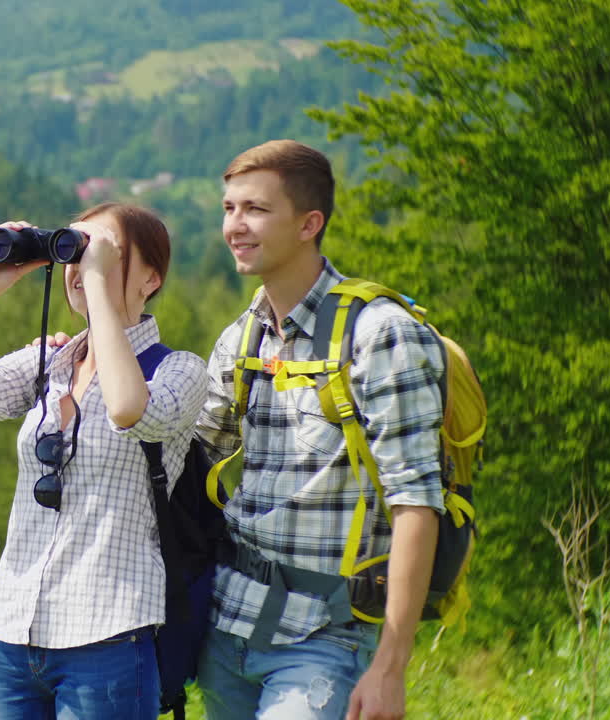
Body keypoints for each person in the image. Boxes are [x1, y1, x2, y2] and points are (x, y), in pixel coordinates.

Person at [0, 202, 208, 719]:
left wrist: (100, 291)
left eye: (103, 253)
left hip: (107, 637)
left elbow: (130, 409)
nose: (80, 269)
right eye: (74, 252)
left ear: (150, 279)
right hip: (11, 632)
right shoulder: (49, 365)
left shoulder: (179, 371)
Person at [194, 140, 445, 720]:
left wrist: (390, 666)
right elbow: (194, 460)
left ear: (310, 223)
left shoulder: (381, 334)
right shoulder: (243, 338)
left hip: (326, 640)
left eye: (255, 209)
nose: (235, 226)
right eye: (229, 208)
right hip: (227, 628)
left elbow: (415, 501)